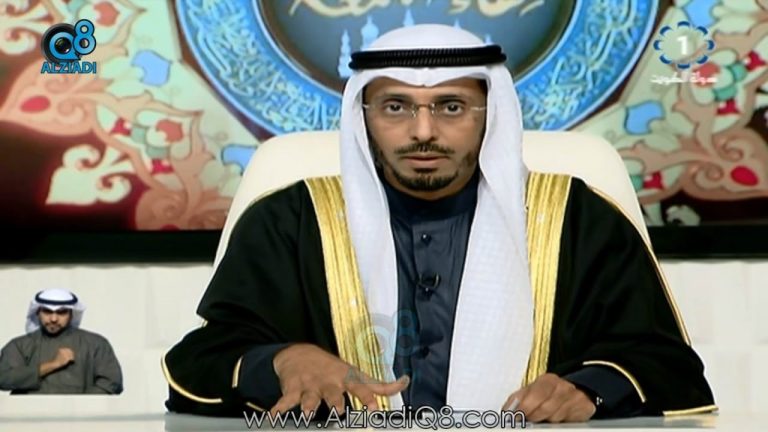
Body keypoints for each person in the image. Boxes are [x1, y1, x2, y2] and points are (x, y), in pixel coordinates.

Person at [162, 24, 715, 423]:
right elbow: (198, 365)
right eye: (395, 107)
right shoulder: (291, 220)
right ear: (363, 117)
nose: (423, 131)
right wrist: (282, 359)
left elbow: (667, 365)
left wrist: (588, 390)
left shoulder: (575, 219)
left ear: (489, 115)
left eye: (451, 107)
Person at [0, 288, 123, 394]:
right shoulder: (19, 345)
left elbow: (111, 382)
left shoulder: (95, 344)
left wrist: (79, 407)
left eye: (61, 312)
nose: (53, 319)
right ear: (38, 312)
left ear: (71, 314)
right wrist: (53, 364)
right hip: (29, 414)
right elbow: (4, 378)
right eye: (47, 311)